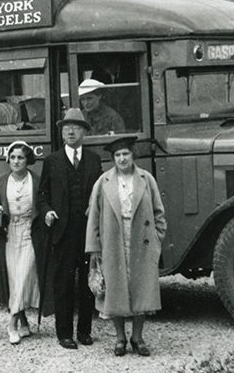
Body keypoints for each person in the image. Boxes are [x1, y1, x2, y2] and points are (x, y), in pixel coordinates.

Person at [85, 136, 167, 357]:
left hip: (141, 239)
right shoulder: (103, 182)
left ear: (133, 156)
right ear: (113, 159)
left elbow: (159, 213)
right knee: (116, 288)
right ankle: (120, 337)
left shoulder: (146, 179)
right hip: (112, 240)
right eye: (117, 155)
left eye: (125, 154)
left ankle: (137, 337)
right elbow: (93, 216)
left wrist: (157, 238)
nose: (122, 159)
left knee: (140, 288)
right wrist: (95, 247)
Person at [39, 108, 102, 349]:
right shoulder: (52, 161)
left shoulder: (94, 160)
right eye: (67, 127)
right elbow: (42, 194)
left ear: (84, 132)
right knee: (63, 283)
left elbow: (101, 194)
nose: (71, 131)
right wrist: (47, 211)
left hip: (87, 232)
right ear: (62, 132)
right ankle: (64, 333)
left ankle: (84, 331)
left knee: (88, 282)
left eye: (76, 127)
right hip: (62, 234)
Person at [0, 141, 47, 345]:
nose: (16, 161)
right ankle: (23, 322)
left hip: (30, 232)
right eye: (12, 157)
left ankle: (11, 323)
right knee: (14, 278)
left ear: (28, 159)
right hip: (10, 233)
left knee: (24, 274)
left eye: (20, 157)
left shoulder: (37, 181)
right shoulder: (1, 182)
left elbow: (44, 204)